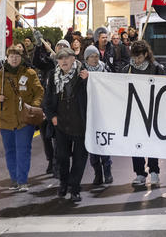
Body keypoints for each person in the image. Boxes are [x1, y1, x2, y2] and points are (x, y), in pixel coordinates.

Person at [0, 45, 44, 192]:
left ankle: (22, 180)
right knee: (10, 151)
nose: (14, 58)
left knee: (23, 149)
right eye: (11, 56)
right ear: (7, 58)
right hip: (5, 119)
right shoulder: (1, 75)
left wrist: (33, 106)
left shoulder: (30, 73)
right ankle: (14, 178)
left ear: (22, 58)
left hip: (24, 120)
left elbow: (39, 92)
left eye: (17, 56)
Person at [42, 49, 89, 202]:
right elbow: (47, 100)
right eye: (60, 59)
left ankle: (75, 188)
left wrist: (88, 81)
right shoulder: (52, 76)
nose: (63, 61)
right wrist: (52, 117)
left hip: (80, 125)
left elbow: (94, 95)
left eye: (66, 58)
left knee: (79, 159)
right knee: (62, 157)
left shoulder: (83, 74)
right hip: (61, 125)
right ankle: (63, 183)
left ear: (73, 59)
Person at [122, 40, 166, 187]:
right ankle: (140, 173)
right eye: (134, 57)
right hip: (134, 113)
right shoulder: (127, 69)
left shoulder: (156, 68)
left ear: (146, 54)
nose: (137, 60)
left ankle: (154, 171)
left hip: (152, 111)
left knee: (152, 141)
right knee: (136, 143)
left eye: (139, 57)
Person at [32, 38, 67, 177]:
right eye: (59, 46)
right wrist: (38, 46)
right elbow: (36, 62)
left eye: (64, 46)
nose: (61, 48)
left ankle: (58, 163)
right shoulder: (48, 63)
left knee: (57, 137)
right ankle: (50, 159)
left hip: (60, 108)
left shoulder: (70, 66)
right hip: (45, 105)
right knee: (45, 136)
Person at [81, 45, 113, 185]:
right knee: (92, 143)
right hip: (88, 112)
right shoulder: (81, 71)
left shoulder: (105, 68)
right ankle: (97, 173)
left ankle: (107, 171)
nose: (94, 59)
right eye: (91, 56)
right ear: (86, 58)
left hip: (103, 111)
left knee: (103, 141)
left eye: (96, 56)